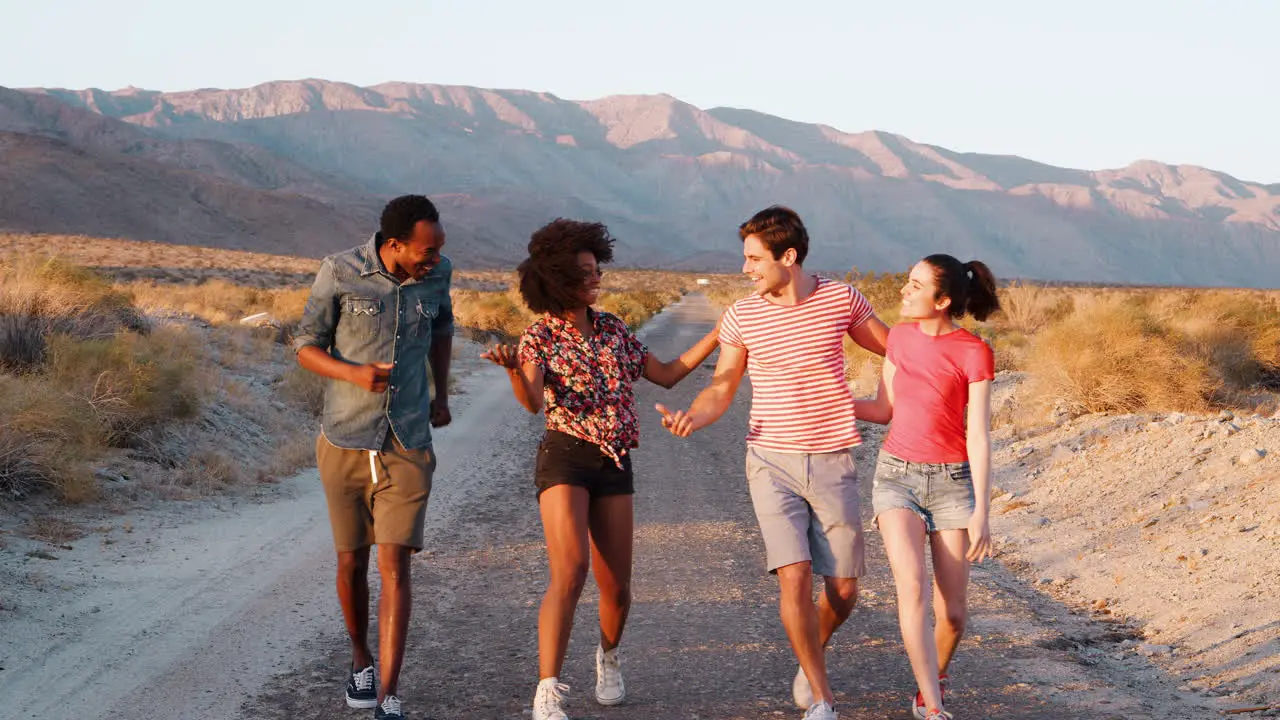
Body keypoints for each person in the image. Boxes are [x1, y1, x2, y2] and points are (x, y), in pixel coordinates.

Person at [480, 218, 721, 720]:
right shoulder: (541, 335)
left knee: (617, 588)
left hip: (614, 460)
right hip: (565, 454)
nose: (597, 279)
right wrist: (510, 372)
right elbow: (530, 401)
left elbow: (669, 375)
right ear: (560, 277)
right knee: (570, 572)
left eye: (596, 270)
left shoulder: (612, 328)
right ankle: (547, 688)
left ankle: (607, 657)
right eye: (587, 272)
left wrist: (720, 332)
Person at [656, 206, 889, 720]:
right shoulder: (742, 314)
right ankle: (823, 701)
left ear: (788, 256)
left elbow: (895, 350)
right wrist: (694, 416)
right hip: (769, 460)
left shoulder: (840, 299)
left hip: (831, 457)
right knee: (794, 577)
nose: (746, 269)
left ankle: (811, 655)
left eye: (754, 258)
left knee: (845, 589)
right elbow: (724, 385)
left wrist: (886, 400)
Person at [292, 194, 454, 720]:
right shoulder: (339, 271)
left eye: (438, 250)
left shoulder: (437, 275)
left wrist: (442, 396)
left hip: (407, 441)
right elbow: (306, 345)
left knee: (395, 564)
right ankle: (360, 656)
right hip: (344, 437)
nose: (435, 259)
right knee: (350, 561)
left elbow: (442, 330)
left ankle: (388, 693)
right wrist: (353, 373)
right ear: (394, 245)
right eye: (426, 251)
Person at [853, 254, 999, 720]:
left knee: (954, 616)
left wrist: (982, 512)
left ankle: (932, 679)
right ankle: (932, 708)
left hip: (952, 483)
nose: (904, 291)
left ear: (943, 300)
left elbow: (978, 434)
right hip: (897, 475)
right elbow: (882, 409)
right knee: (911, 586)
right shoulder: (898, 338)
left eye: (915, 286)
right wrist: (829, 395)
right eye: (906, 282)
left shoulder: (973, 351)